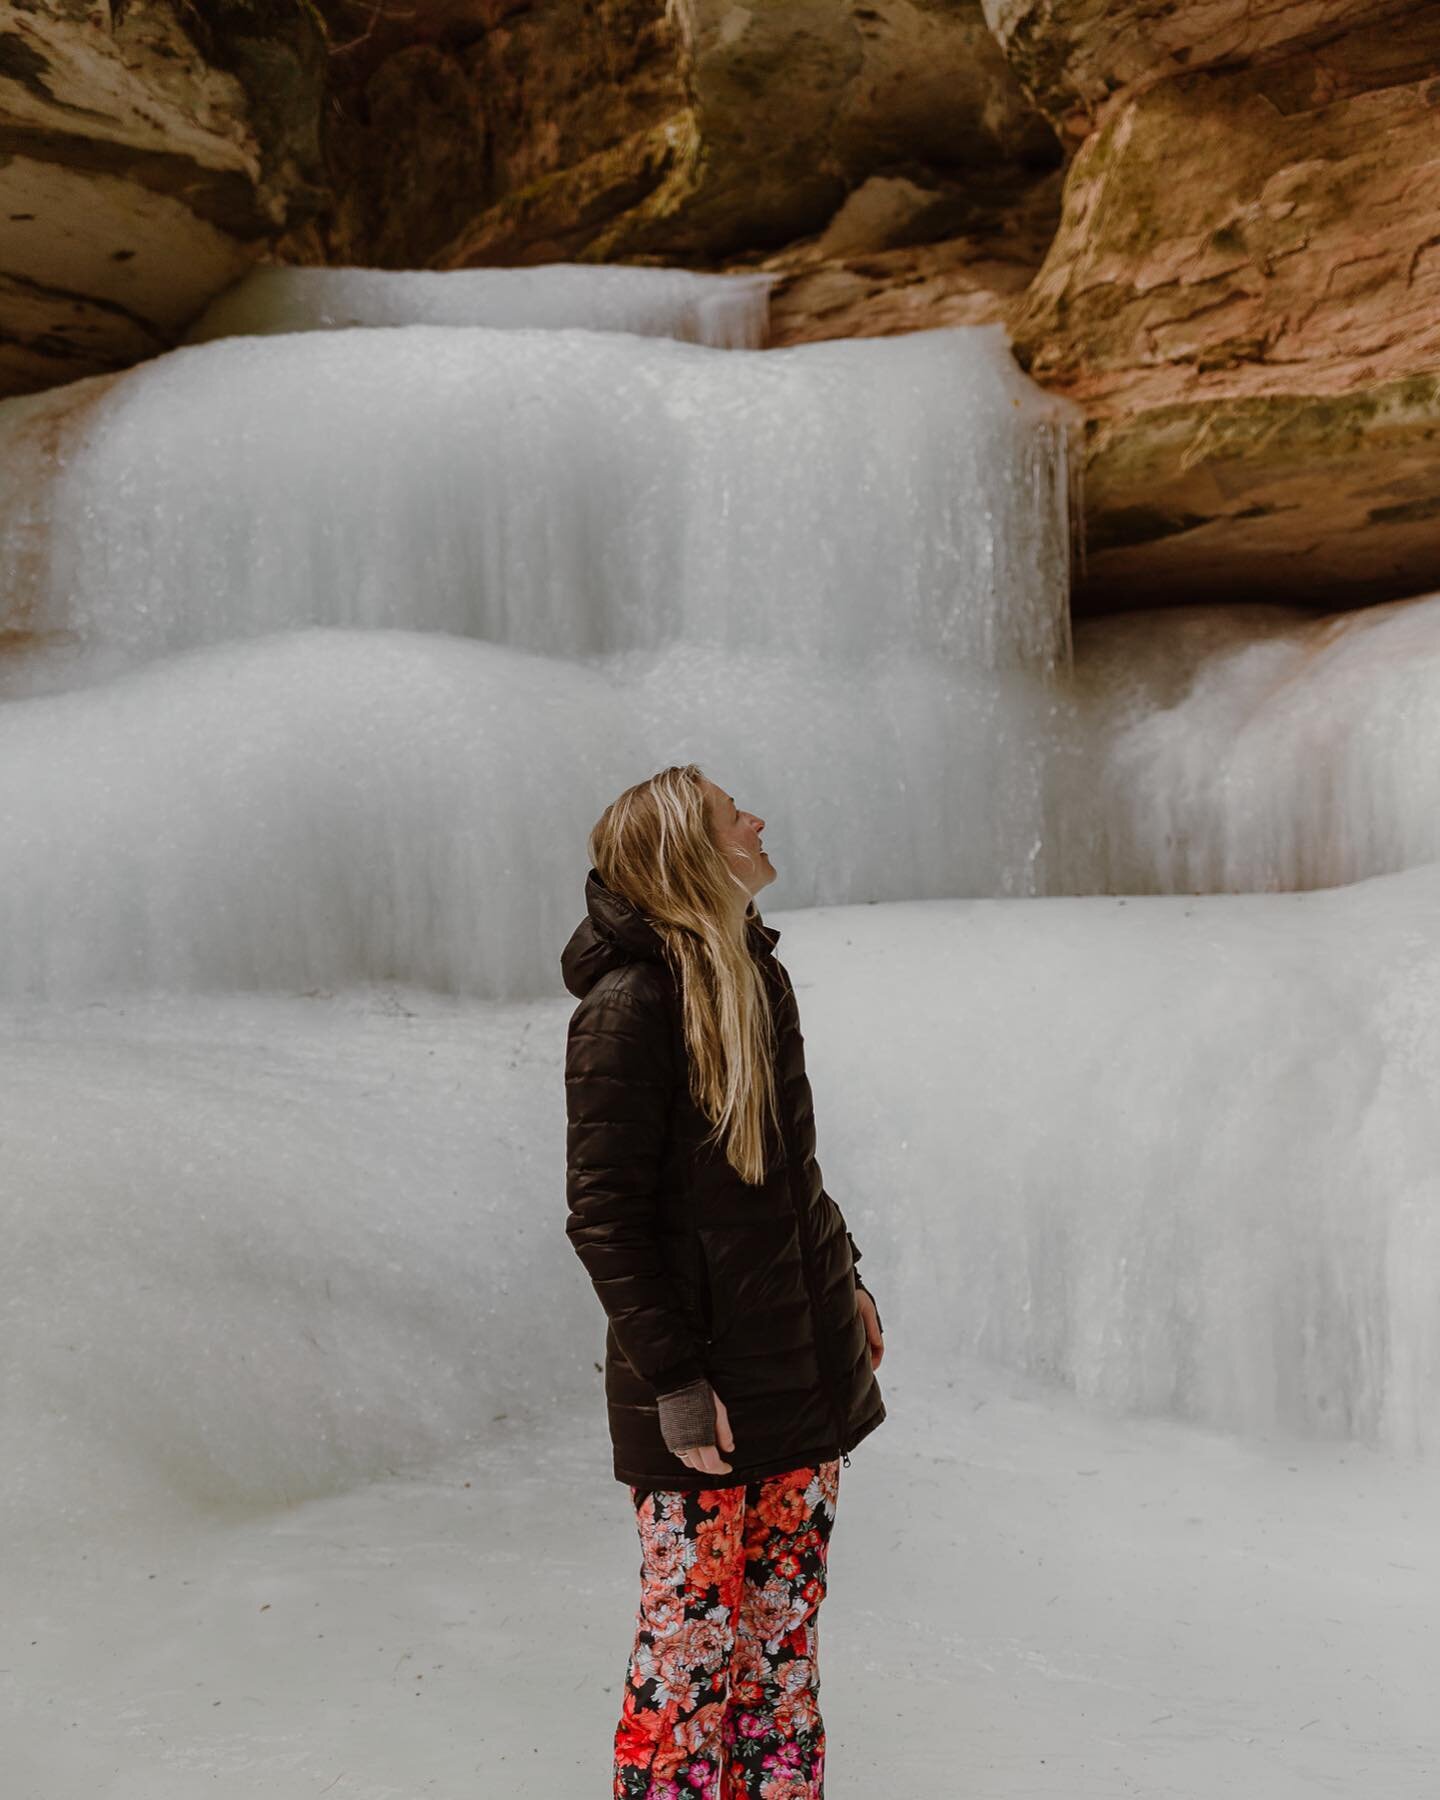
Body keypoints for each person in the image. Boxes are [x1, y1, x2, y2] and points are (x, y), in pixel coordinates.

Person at [561, 763, 886, 1799]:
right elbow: (605, 1218)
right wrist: (675, 1382)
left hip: (799, 1372)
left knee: (779, 1656)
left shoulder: (754, 974)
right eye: (726, 814)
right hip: (710, 1397)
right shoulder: (627, 1009)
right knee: (690, 1658)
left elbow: (790, 1175)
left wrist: (850, 1282)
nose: (755, 817)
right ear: (688, 855)